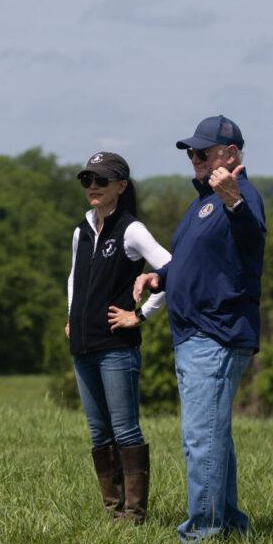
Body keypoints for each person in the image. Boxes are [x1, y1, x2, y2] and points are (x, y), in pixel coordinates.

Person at [133, 115, 266, 543]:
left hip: (216, 333)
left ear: (229, 154)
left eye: (202, 152)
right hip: (197, 335)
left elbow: (252, 239)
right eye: (191, 152)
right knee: (213, 437)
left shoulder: (240, 195)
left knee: (201, 440)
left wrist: (234, 203)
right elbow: (193, 261)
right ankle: (229, 525)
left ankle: (204, 536)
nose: (194, 158)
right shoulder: (201, 203)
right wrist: (161, 278)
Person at [66, 152, 171, 524]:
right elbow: (74, 279)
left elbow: (170, 268)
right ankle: (113, 513)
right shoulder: (81, 230)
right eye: (87, 180)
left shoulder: (131, 229)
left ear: (121, 186)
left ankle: (134, 515)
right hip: (82, 346)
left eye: (101, 180)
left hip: (116, 349)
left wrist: (140, 314)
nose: (93, 186)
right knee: (99, 432)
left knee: (125, 429)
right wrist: (69, 317)